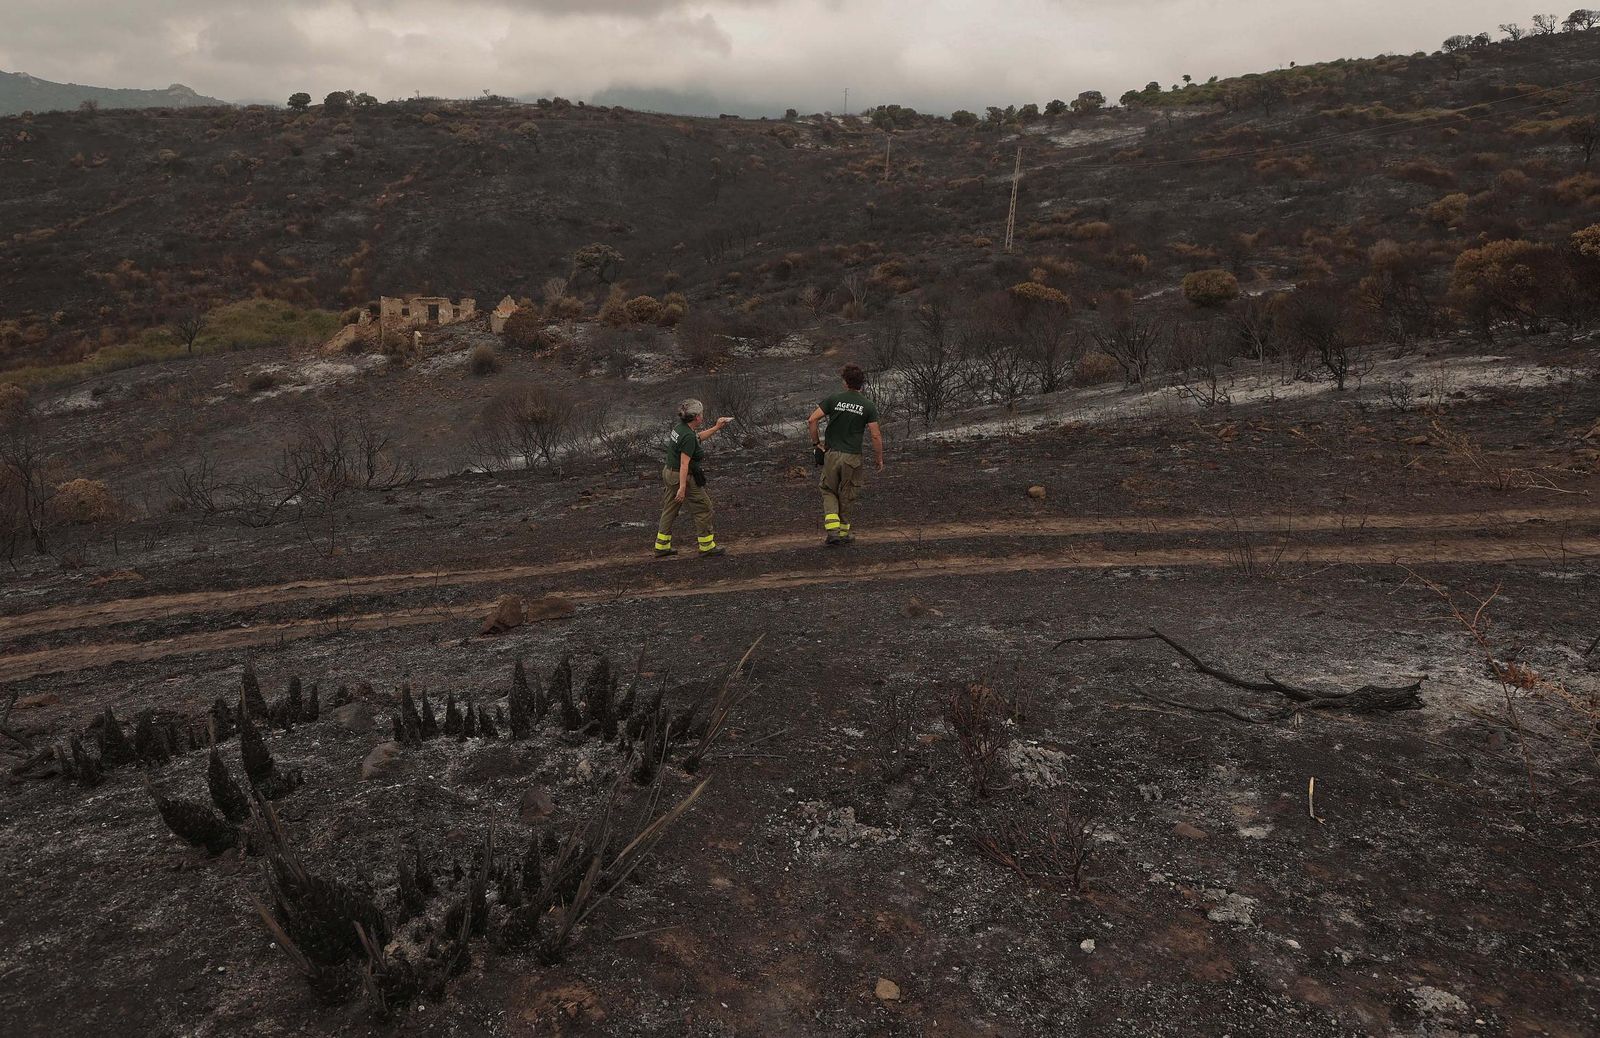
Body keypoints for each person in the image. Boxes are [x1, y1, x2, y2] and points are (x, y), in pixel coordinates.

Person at [807, 364, 884, 546]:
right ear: (862, 384)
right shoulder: (868, 405)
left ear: (845, 382)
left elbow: (812, 419)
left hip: (832, 454)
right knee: (848, 492)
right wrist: (878, 458)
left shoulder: (834, 399)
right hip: (852, 457)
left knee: (828, 490)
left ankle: (833, 532)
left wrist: (816, 443)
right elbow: (875, 434)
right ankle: (843, 532)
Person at [655, 398, 733, 558]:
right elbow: (685, 464)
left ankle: (661, 546)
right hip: (680, 476)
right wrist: (683, 488)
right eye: (702, 414)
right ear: (697, 417)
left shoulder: (680, 429)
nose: (702, 416)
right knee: (704, 508)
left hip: (669, 473)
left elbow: (697, 438)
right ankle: (707, 546)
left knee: (670, 509)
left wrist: (717, 427)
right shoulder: (688, 436)